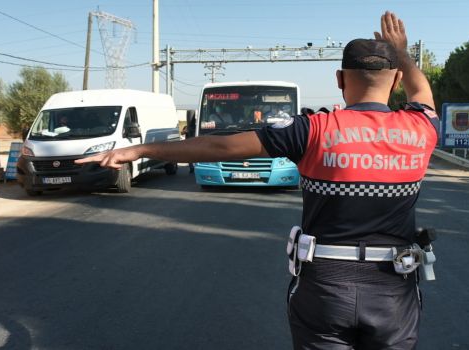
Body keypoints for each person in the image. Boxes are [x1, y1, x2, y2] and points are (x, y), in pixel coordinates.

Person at [76, 11, 438, 349]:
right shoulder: (421, 127)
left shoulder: (312, 129)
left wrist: (139, 151)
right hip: (393, 287)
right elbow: (421, 92)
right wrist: (402, 54)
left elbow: (221, 145)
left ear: (340, 79)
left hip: (325, 286)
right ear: (396, 81)